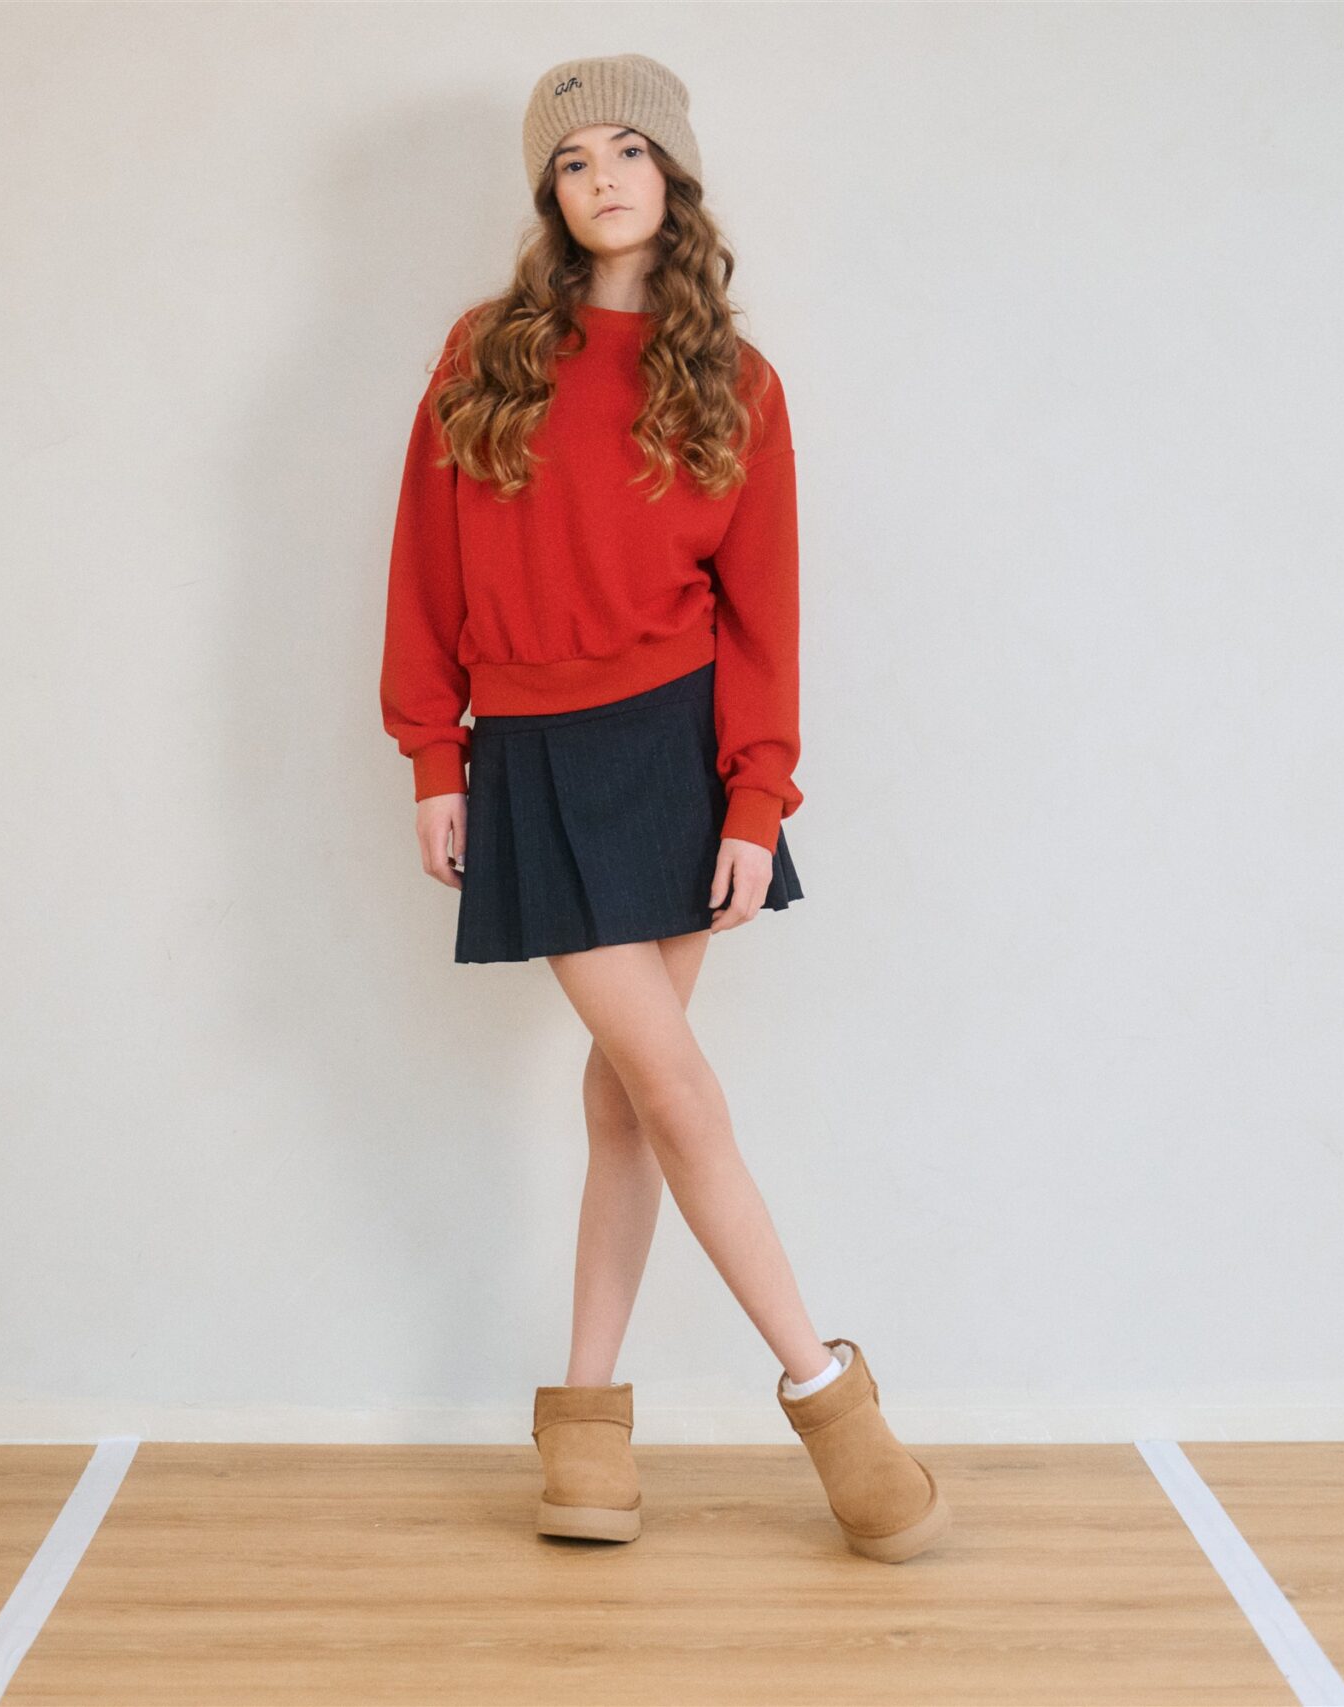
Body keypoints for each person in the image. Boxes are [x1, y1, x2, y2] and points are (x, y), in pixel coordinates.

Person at [377, 52, 949, 1565]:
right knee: (674, 1089)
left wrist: (756, 798)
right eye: (574, 161)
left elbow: (765, 613)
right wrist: (435, 757)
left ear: (673, 176)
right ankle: (831, 1400)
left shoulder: (735, 384)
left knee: (628, 1098)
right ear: (550, 195)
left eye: (629, 150)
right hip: (536, 755)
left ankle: (585, 1430)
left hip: (681, 755)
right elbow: (423, 568)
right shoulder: (484, 354)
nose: (603, 177)